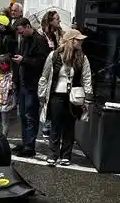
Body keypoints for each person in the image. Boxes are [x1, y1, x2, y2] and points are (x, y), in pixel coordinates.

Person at [39, 29, 92, 166]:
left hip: (73, 97)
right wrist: (42, 95)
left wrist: (87, 99)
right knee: (55, 125)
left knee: (69, 126)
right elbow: (44, 76)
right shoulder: (54, 55)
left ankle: (66, 156)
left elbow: (87, 78)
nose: (81, 42)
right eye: (78, 39)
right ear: (71, 41)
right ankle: (52, 154)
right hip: (56, 95)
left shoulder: (82, 58)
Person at [12, 17, 51, 157]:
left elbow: (43, 63)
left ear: (28, 26)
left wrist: (24, 60)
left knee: (30, 115)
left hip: (32, 84)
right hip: (24, 82)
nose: (20, 35)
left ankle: (29, 146)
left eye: (21, 32)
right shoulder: (24, 40)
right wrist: (15, 79)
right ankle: (26, 142)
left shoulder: (39, 40)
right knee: (23, 114)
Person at [39, 10, 64, 138]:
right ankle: (45, 124)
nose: (59, 21)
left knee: (50, 97)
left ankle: (47, 124)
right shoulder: (42, 34)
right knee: (44, 97)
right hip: (43, 69)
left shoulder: (56, 34)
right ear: (50, 21)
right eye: (57, 19)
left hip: (52, 70)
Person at [0, 54, 16, 136]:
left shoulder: (10, 77)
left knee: (5, 122)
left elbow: (12, 90)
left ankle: (4, 138)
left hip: (5, 102)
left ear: (4, 65)